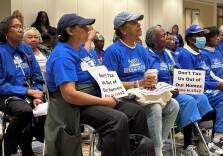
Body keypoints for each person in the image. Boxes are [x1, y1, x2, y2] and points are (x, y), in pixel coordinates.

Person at [44, 13, 150, 156]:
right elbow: (70, 95)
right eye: (83, 27)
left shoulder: (79, 50)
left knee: (137, 112)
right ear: (70, 31)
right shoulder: (62, 55)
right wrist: (104, 101)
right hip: (76, 106)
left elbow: (86, 49)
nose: (88, 29)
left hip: (94, 97)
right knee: (117, 120)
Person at [103, 12, 179, 156]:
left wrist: (152, 83)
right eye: (134, 23)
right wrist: (137, 84)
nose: (139, 25)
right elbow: (109, 83)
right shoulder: (112, 51)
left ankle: (156, 145)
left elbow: (146, 74)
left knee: (173, 105)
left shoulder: (140, 50)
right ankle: (157, 152)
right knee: (155, 107)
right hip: (124, 96)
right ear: (123, 30)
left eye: (138, 22)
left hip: (143, 92)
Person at [146, 25, 213, 156]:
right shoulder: (147, 55)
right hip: (161, 92)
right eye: (162, 36)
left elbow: (181, 73)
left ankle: (201, 140)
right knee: (188, 101)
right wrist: (169, 88)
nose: (166, 38)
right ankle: (187, 145)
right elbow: (149, 80)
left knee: (202, 97)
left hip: (177, 89)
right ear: (154, 40)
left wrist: (188, 85)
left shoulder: (170, 54)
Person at [177, 24, 223, 154]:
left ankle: (218, 136)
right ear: (190, 39)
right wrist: (216, 85)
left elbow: (210, 75)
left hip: (207, 88)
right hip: (196, 91)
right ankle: (212, 138)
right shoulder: (185, 54)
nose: (203, 38)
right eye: (199, 36)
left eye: (203, 35)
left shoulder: (199, 53)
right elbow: (191, 82)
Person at [0, 16, 45, 156]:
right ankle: (9, 144)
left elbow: (37, 75)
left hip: (30, 93)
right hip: (7, 94)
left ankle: (26, 142)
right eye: (16, 26)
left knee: (52, 108)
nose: (20, 29)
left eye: (21, 26)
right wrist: (28, 92)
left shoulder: (26, 49)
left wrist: (38, 94)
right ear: (6, 31)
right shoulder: (1, 51)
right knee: (24, 111)